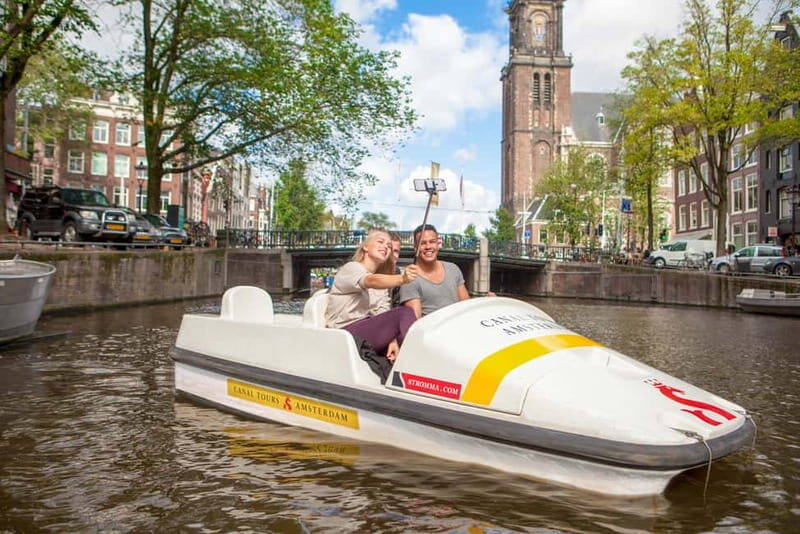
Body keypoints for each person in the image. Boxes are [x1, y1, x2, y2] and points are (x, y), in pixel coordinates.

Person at [325, 229, 419, 362]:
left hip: (365, 330)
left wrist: (391, 340)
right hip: (343, 333)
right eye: (380, 242)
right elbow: (369, 281)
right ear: (365, 246)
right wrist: (402, 278)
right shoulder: (352, 268)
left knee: (400, 334)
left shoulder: (381, 283)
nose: (385, 247)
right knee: (404, 313)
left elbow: (382, 312)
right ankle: (418, 363)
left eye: (389, 246)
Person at [399, 224, 471, 318]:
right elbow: (415, 320)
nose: (428, 246)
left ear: (438, 244)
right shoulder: (410, 278)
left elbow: (466, 306)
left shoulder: (453, 269)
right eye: (423, 243)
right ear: (415, 247)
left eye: (432, 242)